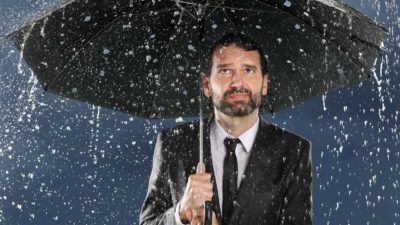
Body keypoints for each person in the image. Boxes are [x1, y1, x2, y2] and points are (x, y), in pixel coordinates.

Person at [139, 33, 312, 225]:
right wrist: (181, 213)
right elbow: (148, 222)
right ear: (206, 84)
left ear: (264, 83)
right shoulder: (173, 143)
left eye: (248, 70)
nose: (237, 83)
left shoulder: (293, 150)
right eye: (225, 71)